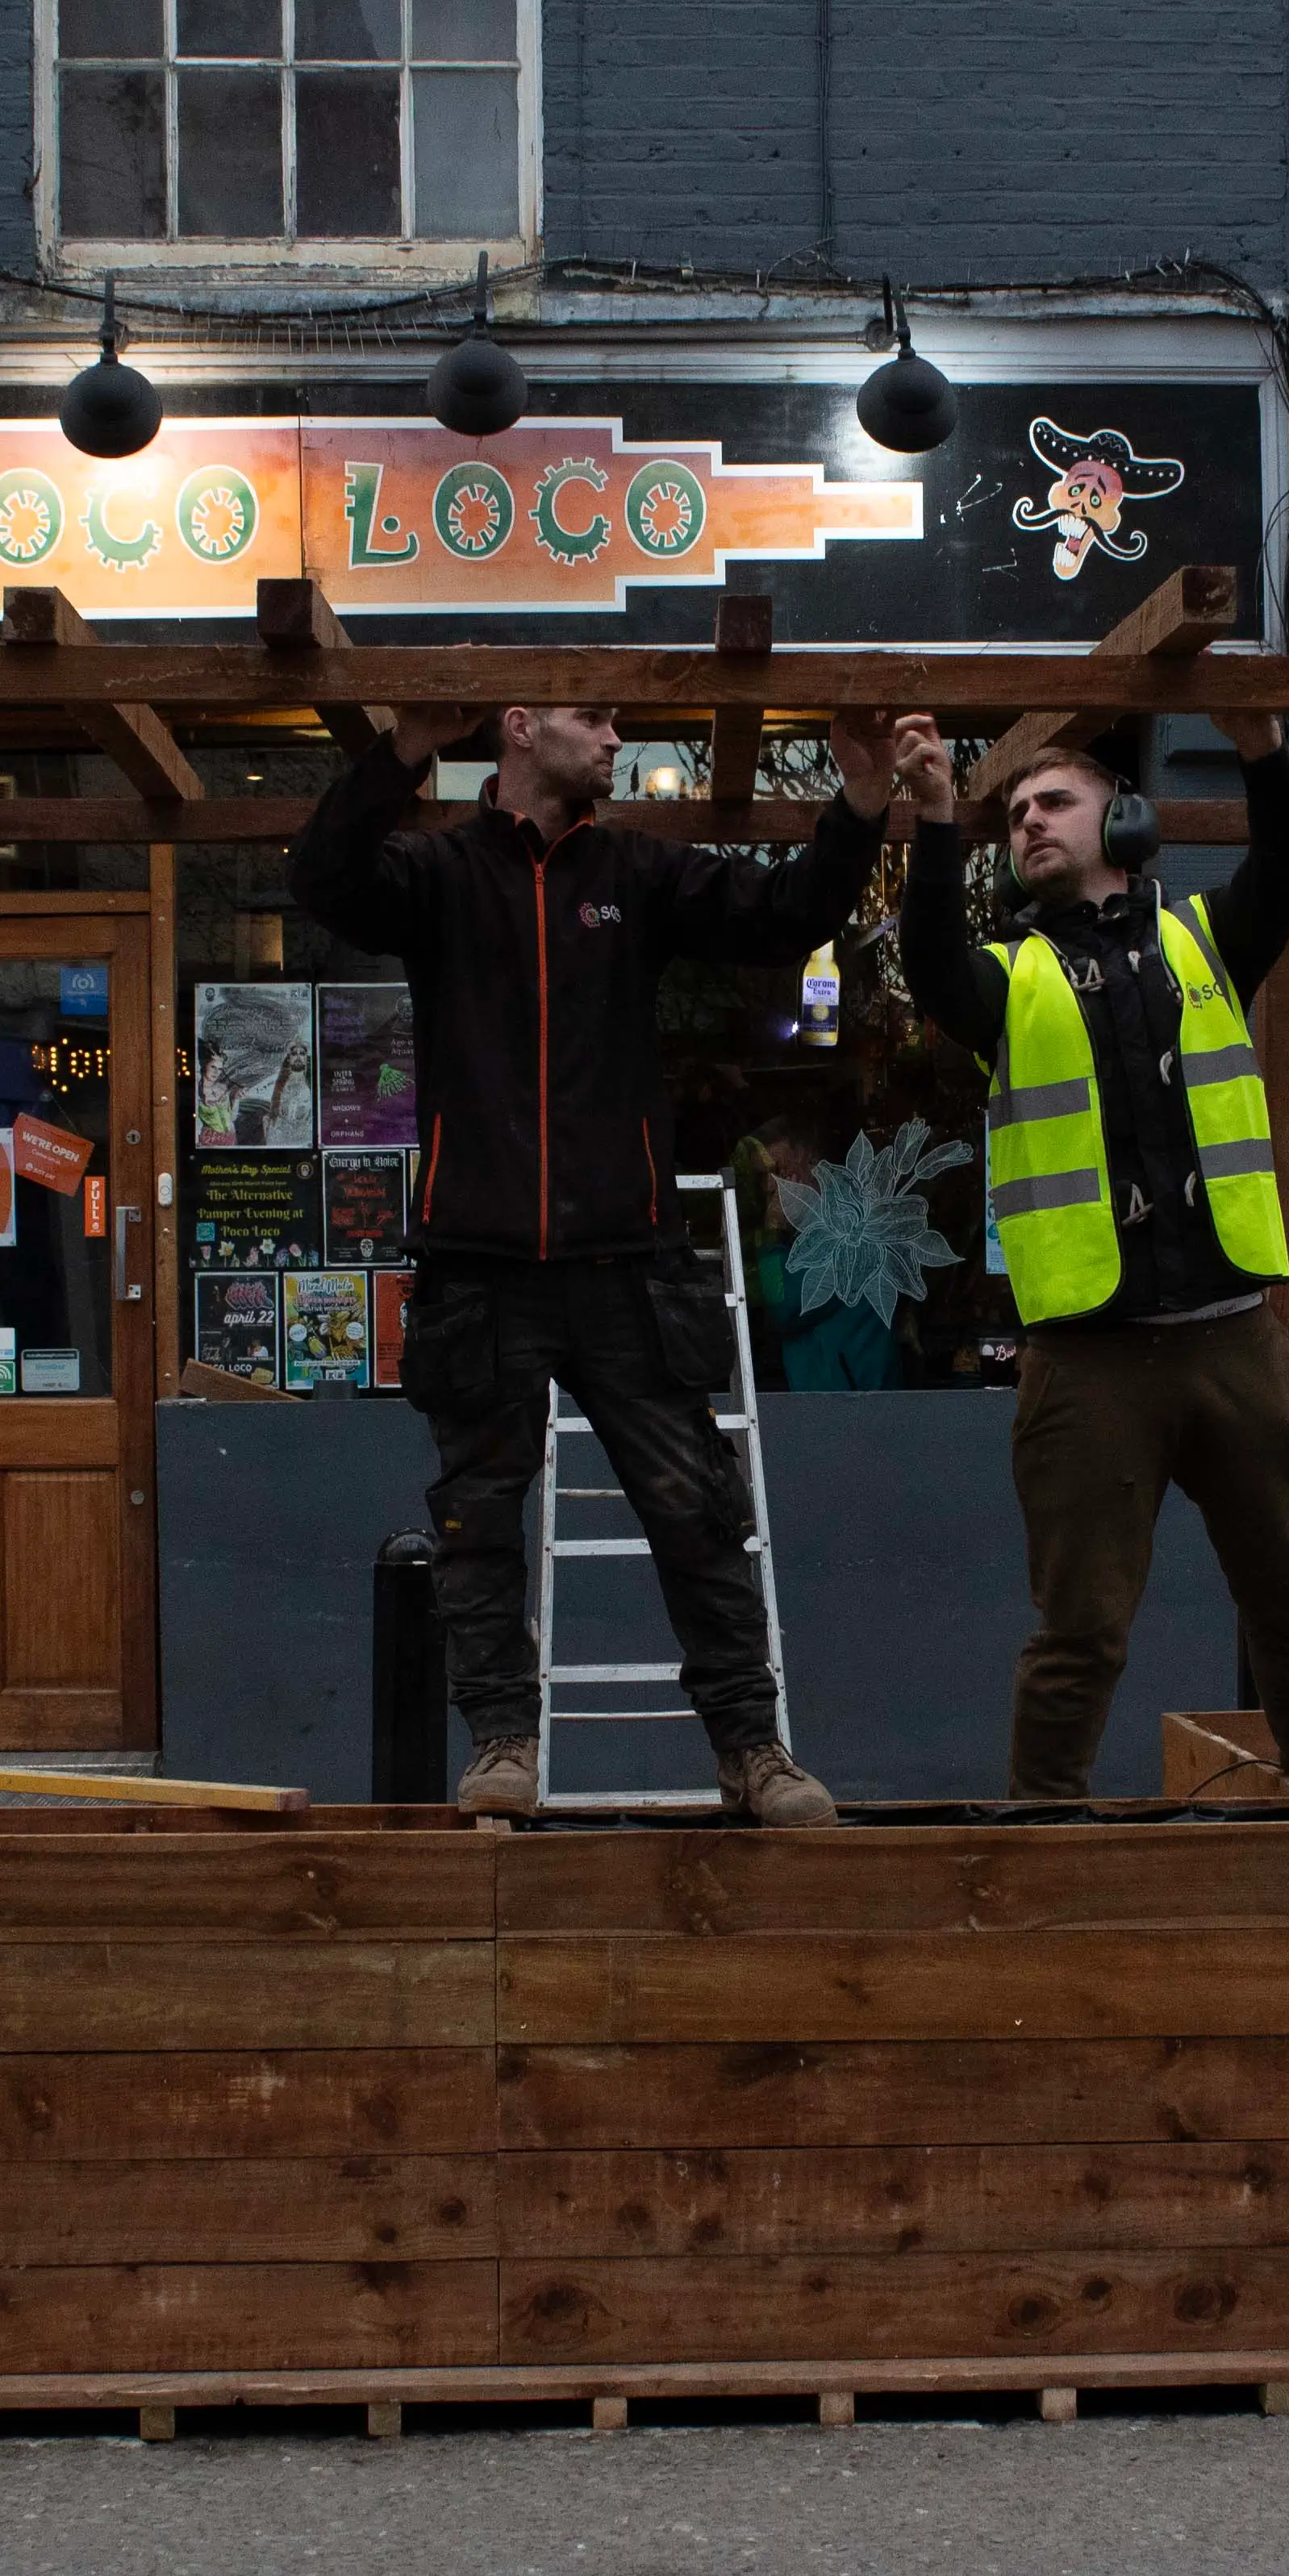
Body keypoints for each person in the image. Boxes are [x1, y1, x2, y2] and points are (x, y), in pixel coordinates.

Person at [291, 698, 913, 1825]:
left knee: (698, 1514)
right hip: (478, 1261)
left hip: (625, 1258)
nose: (619, 739)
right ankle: (501, 1746)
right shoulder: (440, 876)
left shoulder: (638, 871)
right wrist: (405, 750)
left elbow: (789, 913)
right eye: (597, 718)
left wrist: (861, 800)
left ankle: (752, 1753)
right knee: (477, 1525)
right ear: (523, 730)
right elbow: (325, 878)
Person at [892, 714, 1289, 1799]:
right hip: (1087, 1360)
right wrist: (937, 818)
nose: (1029, 821)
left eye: (1054, 802)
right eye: (1017, 814)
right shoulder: (1008, 979)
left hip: (1235, 1340)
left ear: (1124, 818)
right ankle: (1044, 1828)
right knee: (1080, 1627)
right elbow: (930, 963)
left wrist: (1265, 746)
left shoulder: (1206, 939)